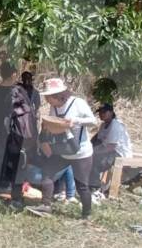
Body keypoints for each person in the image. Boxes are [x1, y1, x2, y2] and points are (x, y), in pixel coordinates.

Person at [34, 78, 97, 219]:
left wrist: (76, 121)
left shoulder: (78, 103)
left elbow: (93, 122)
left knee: (82, 185)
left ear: (57, 95)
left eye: (48, 96)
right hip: (62, 150)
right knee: (47, 174)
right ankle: (45, 206)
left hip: (81, 152)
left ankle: (86, 214)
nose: (46, 100)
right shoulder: (54, 107)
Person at [0, 65, 38, 208]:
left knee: (10, 163)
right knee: (19, 165)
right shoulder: (25, 97)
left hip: (12, 135)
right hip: (24, 136)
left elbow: (3, 116)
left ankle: (8, 193)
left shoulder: (8, 93)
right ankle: (15, 195)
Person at [90, 103, 132, 197]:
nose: (101, 114)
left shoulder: (116, 125)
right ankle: (89, 185)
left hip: (119, 152)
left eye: (104, 112)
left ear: (111, 112)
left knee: (95, 161)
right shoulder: (103, 125)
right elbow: (97, 140)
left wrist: (93, 152)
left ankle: (95, 189)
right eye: (100, 112)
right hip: (109, 150)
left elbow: (111, 147)